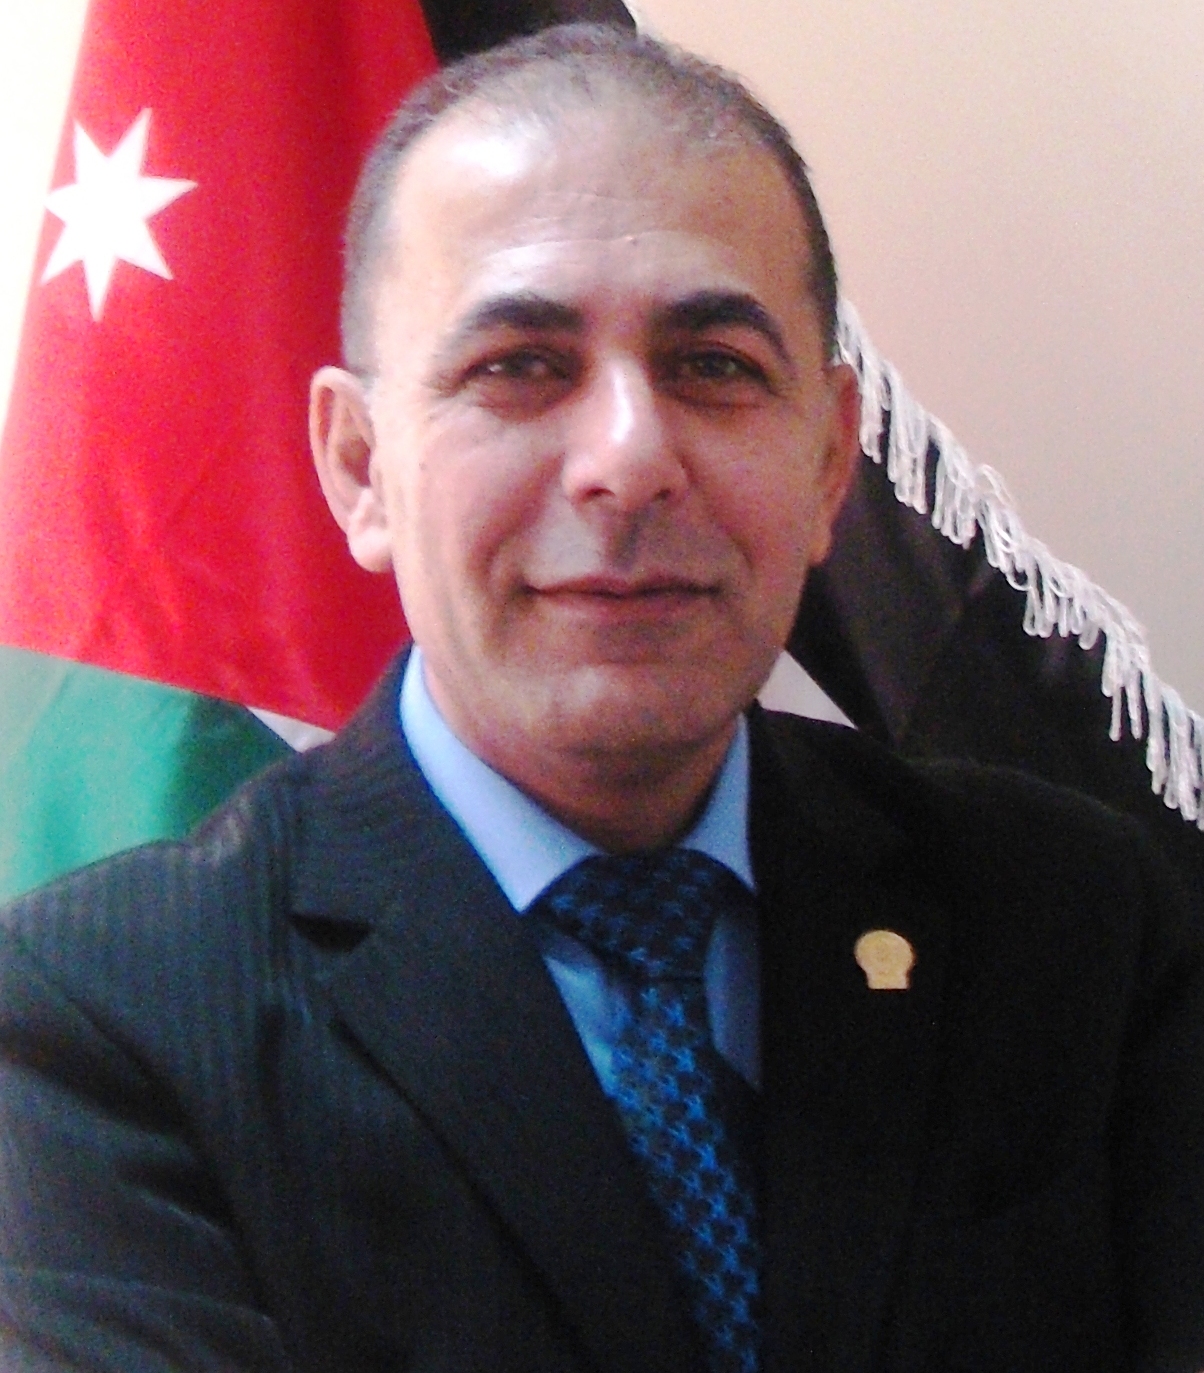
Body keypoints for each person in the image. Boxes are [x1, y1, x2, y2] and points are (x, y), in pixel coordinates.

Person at [1, 24, 1201, 1373]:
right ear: (359, 467)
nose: (628, 460)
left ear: (827, 466)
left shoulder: (1081, 924)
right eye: (518, 365)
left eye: (714, 365)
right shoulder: (91, 1020)